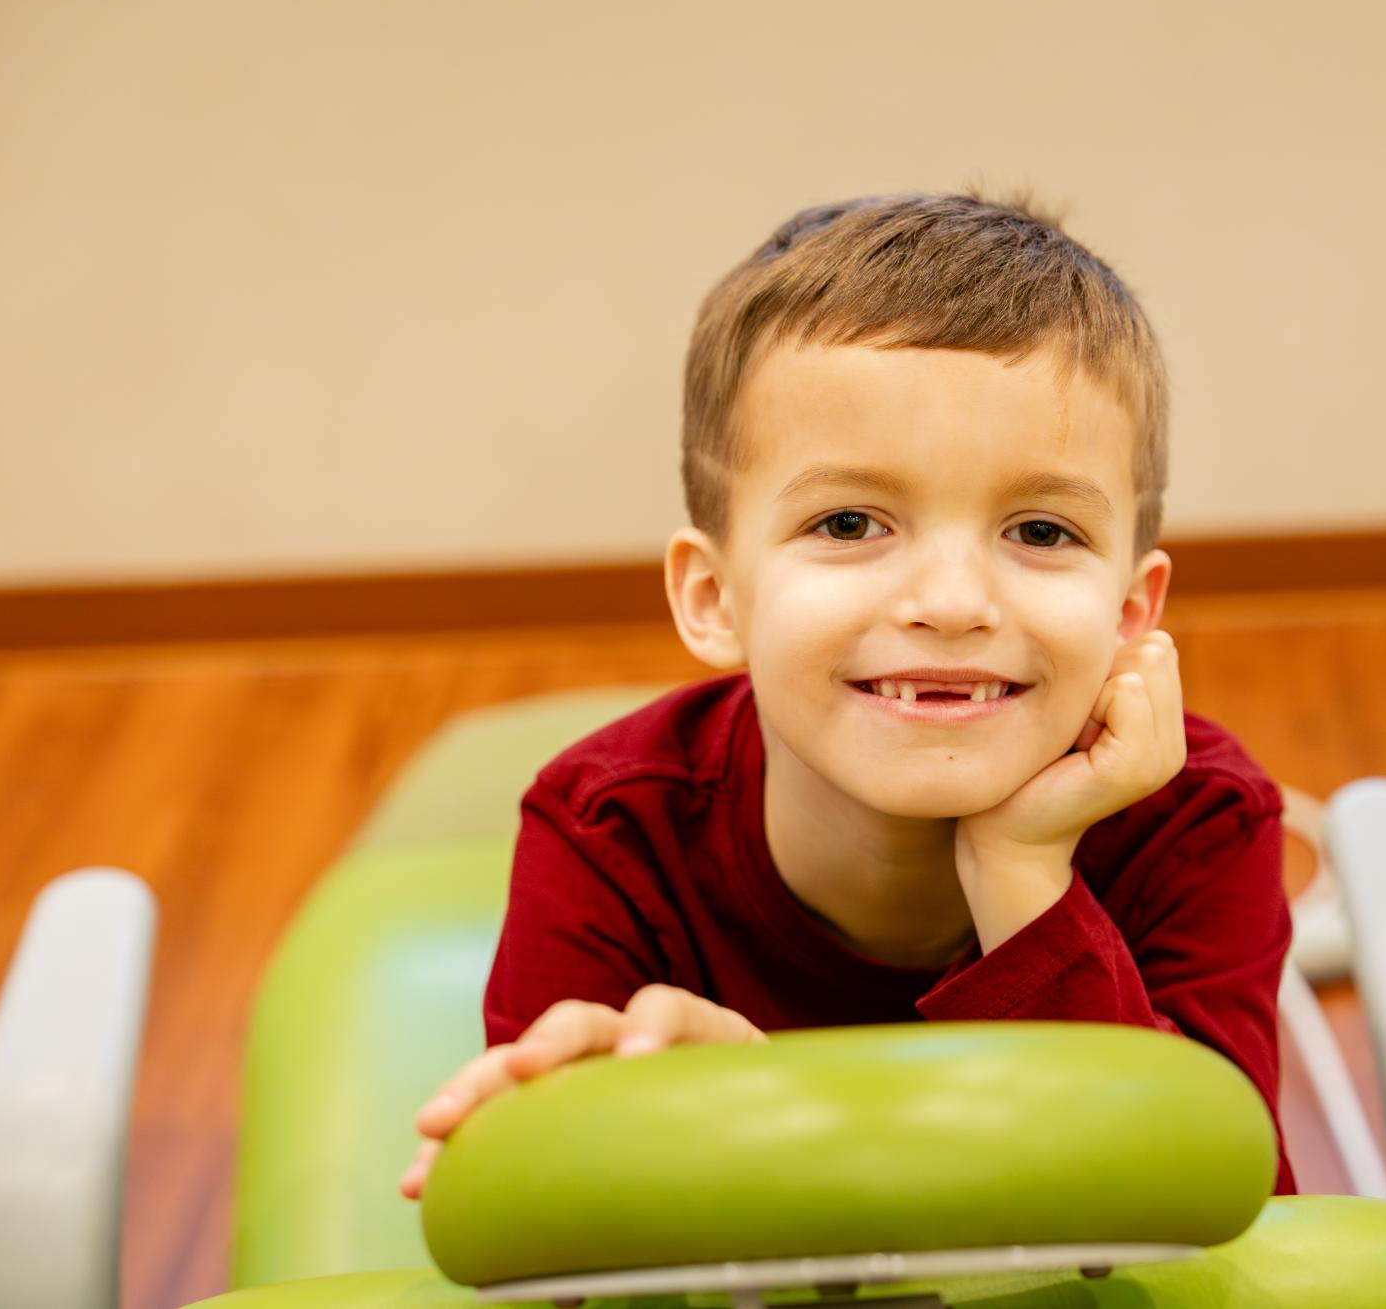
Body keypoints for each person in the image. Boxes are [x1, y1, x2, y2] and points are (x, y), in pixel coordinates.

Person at [399, 190, 1297, 1205]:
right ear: (713, 599)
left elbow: (1219, 1217)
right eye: (849, 523)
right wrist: (716, 1120)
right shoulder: (607, 833)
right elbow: (542, 1234)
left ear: (1131, 612)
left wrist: (1021, 871)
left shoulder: (1200, 819)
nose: (952, 602)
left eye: (1040, 532)